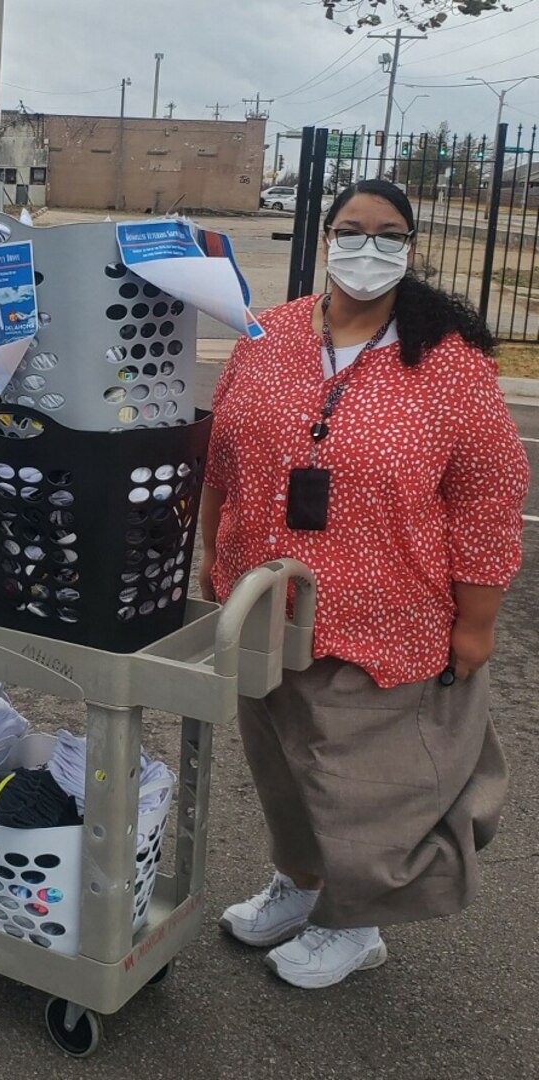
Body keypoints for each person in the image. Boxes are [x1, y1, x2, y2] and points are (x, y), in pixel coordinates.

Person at [200, 179, 529, 990]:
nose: (367, 248)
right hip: (267, 602)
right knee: (280, 760)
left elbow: (488, 497)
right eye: (352, 230)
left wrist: (477, 622)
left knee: (365, 784)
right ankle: (302, 882)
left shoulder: (448, 363)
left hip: (385, 611)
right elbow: (222, 459)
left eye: (388, 235)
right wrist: (215, 562)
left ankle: (358, 922)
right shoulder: (269, 335)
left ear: (410, 250)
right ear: (323, 239)